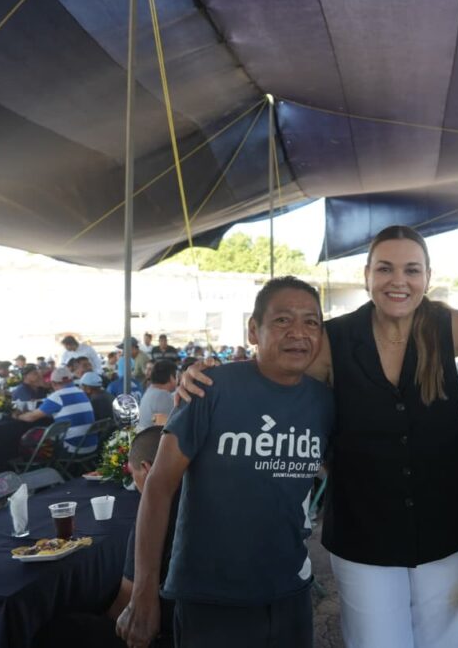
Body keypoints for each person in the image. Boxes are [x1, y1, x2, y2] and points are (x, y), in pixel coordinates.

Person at [177, 225, 458, 648]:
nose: (398, 280)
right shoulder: (334, 338)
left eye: (411, 270)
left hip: (446, 527)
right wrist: (209, 377)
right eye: (385, 268)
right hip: (363, 533)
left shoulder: (445, 323)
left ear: (427, 276)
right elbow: (275, 367)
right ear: (367, 276)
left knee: (446, 642)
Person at [118, 277, 336, 648]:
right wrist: (143, 590)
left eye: (311, 322)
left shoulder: (324, 403)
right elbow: (158, 485)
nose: (298, 332)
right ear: (253, 330)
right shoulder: (208, 388)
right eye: (283, 320)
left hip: (290, 594)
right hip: (210, 599)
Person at [36, 426, 176, 648]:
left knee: (58, 630)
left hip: (166, 634)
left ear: (147, 470)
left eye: (133, 474)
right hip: (208, 625)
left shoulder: (151, 523)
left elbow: (123, 608)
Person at [15, 368, 97, 454]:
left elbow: (31, 418)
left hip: (73, 447)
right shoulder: (81, 392)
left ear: (53, 383)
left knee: (32, 437)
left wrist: (16, 415)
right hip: (92, 445)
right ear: (71, 380)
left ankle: (30, 465)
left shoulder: (57, 396)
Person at [137, 360, 178, 430]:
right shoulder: (164, 396)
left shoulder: (150, 391)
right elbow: (176, 427)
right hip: (153, 439)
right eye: (177, 376)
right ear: (171, 377)